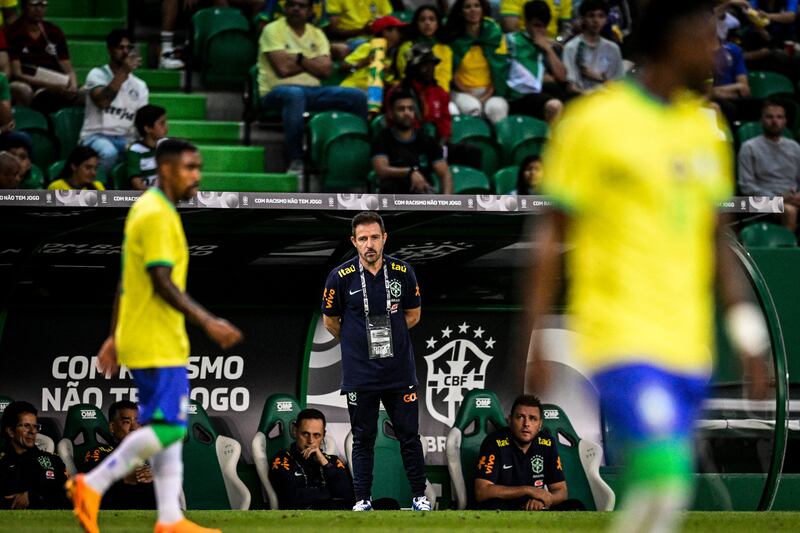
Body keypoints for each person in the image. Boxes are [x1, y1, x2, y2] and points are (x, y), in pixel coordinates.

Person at [528, 1, 770, 533]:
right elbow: (551, 233)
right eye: (704, 37)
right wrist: (533, 337)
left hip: (685, 340)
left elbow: (714, 240)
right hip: (618, 331)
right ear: (669, 39)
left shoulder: (705, 131)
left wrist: (749, 335)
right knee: (662, 470)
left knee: (667, 491)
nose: (715, 49)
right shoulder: (594, 122)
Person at [66, 139, 244, 533]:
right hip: (157, 340)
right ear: (165, 169)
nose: (197, 176)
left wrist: (114, 336)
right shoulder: (158, 215)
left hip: (145, 337)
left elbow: (125, 284)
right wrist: (208, 320)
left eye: (199, 167)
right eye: (189, 168)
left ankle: (169, 518)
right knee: (171, 428)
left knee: (164, 430)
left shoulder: (145, 208)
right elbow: (161, 281)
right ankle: (91, 484)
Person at [321, 211, 430, 512]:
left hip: (398, 371)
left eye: (374, 237)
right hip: (361, 374)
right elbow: (331, 322)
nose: (370, 244)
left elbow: (413, 314)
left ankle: (420, 498)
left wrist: (390, 335)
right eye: (363, 238)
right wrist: (359, 342)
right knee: (363, 438)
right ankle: (362, 500)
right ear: (354, 242)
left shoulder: (402, 271)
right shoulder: (339, 277)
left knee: (409, 436)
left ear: (385, 238)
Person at [258, 0, 367, 177]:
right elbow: (282, 69)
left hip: (313, 92)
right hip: (276, 91)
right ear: (285, 8)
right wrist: (312, 62)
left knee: (357, 97)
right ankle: (296, 158)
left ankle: (360, 153)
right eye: (292, 5)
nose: (296, 9)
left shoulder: (317, 34)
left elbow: (326, 70)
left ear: (310, 10)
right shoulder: (272, 30)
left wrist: (299, 59)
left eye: (301, 6)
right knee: (294, 94)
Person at [474, 395, 585, 511]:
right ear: (510, 420)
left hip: (536, 509)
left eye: (533, 418)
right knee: (494, 506)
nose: (526, 424)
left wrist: (544, 500)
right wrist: (528, 490)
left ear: (540, 424)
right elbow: (482, 491)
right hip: (505, 508)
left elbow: (561, 490)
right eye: (520, 417)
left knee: (575, 506)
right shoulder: (494, 442)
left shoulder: (547, 443)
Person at [80, 29, 149, 175]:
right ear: (110, 50)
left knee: (143, 157)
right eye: (120, 47)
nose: (125, 52)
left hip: (125, 138)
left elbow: (142, 121)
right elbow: (103, 101)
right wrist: (123, 72)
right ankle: (97, 189)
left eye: (129, 48)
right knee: (108, 152)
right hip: (95, 136)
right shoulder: (97, 74)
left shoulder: (140, 85)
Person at [268, 408, 354, 510]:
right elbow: (290, 497)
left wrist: (325, 464)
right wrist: (331, 492)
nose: (311, 441)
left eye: (317, 435)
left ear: (323, 435)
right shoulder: (282, 460)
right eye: (305, 434)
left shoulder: (333, 461)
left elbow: (347, 493)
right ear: (295, 431)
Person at [372, 89, 453, 194]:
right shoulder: (382, 138)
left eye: (410, 109)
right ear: (391, 113)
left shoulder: (427, 140)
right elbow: (381, 170)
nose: (407, 113)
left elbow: (444, 173)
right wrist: (410, 172)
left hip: (423, 195)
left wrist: (446, 202)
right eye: (401, 109)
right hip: (394, 197)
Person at [738, 99, 800, 233]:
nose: (774, 121)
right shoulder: (749, 147)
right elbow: (746, 185)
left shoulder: (795, 147)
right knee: (789, 211)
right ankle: (787, 252)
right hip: (760, 200)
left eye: (779, 117)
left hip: (792, 198)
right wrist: (777, 199)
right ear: (761, 120)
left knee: (790, 207)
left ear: (785, 121)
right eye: (769, 117)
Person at [6, 0, 79, 114]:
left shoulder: (53, 31)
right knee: (44, 96)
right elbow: (17, 74)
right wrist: (51, 86)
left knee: (86, 93)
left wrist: (73, 85)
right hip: (31, 82)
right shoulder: (12, 32)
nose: (38, 9)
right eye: (34, 4)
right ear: (23, 7)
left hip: (57, 82)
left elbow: (68, 69)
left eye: (43, 5)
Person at [444, 0, 509, 124]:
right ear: (461, 12)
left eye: (476, 6)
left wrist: (487, 94)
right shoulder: (454, 40)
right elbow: (452, 73)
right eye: (467, 7)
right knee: (473, 107)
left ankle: (499, 142)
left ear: (482, 9)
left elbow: (499, 71)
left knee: (497, 108)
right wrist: (469, 93)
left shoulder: (494, 35)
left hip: (490, 91)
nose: (473, 10)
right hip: (462, 91)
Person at [82, 401, 156, 510]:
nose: (134, 428)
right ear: (112, 427)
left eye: (138, 422)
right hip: (113, 517)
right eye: (127, 422)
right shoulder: (99, 452)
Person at [506, 0, 567, 124]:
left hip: (536, 95)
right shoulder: (510, 41)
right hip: (516, 97)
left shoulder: (547, 45)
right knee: (554, 105)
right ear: (526, 23)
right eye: (536, 25)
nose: (540, 31)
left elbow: (562, 77)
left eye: (544, 26)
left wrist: (548, 50)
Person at [0, 401, 69, 510]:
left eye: (35, 426)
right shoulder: (2, 462)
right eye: (26, 426)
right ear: (11, 431)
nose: (32, 431)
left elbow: (68, 497)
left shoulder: (53, 461)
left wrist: (33, 497)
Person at [391, 42, 453, 142]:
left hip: (435, 145)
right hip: (408, 143)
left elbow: (445, 123)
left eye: (431, 65)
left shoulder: (440, 93)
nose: (429, 70)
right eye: (424, 65)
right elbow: (395, 124)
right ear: (413, 68)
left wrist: (441, 147)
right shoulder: (398, 91)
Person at [563, 0, 624, 95]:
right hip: (581, 101)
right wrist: (591, 94)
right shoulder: (571, 48)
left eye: (601, 16)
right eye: (591, 16)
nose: (596, 21)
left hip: (608, 100)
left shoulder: (613, 48)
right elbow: (571, 87)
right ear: (583, 18)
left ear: (606, 19)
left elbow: (618, 82)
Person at [340, 16, 407, 99]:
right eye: (398, 30)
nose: (401, 34)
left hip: (374, 96)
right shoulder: (368, 47)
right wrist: (363, 63)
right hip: (352, 89)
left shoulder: (396, 55)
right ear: (385, 32)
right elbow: (343, 67)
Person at [396, 5, 454, 98]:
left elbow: (445, 77)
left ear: (438, 24)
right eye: (422, 20)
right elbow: (404, 76)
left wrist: (438, 95)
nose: (427, 23)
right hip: (413, 95)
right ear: (417, 24)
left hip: (439, 95)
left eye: (432, 19)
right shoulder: (407, 47)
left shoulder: (445, 49)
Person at [127, 104, 169, 190]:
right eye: (162, 123)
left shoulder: (165, 144)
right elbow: (137, 184)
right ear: (148, 128)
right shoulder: (135, 151)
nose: (166, 127)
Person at [327, 0, 392, 45]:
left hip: (378, 38)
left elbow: (390, 22)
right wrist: (362, 31)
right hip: (348, 41)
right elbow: (332, 32)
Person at [500, 0, 572, 38]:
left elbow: (566, 27)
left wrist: (558, 41)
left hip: (552, 43)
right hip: (522, 42)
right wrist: (532, 41)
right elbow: (510, 26)